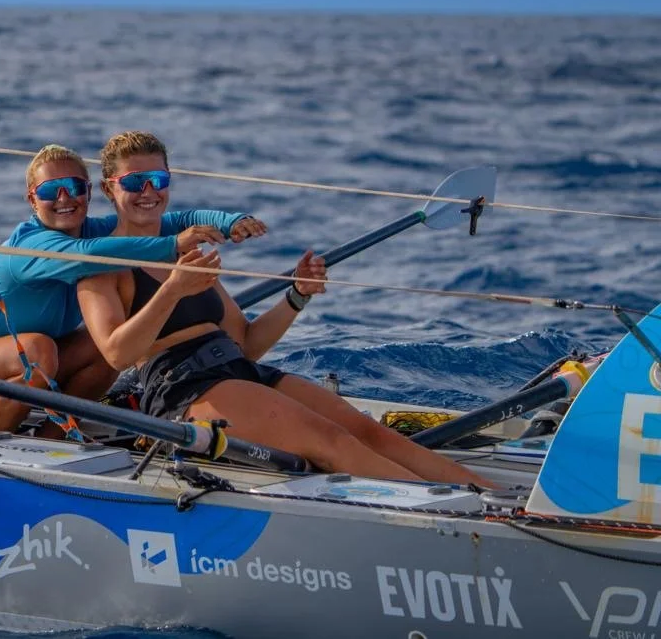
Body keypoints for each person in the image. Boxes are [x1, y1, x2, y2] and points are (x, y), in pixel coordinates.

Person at [76, 130, 492, 485]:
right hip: (183, 390)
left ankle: (504, 502)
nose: (148, 192)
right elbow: (117, 353)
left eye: (158, 179)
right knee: (331, 441)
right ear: (111, 187)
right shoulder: (101, 267)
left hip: (238, 369)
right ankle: (454, 514)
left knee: (367, 431)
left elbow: (245, 342)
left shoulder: (189, 251)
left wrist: (296, 295)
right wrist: (172, 290)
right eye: (135, 182)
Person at [0, 143, 265, 433]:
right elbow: (87, 257)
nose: (65, 198)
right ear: (32, 200)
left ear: (90, 192)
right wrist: (172, 247)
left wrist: (229, 221)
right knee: (38, 350)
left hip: (1, 360)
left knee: (106, 345)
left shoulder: (91, 231)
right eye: (51, 190)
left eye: (75, 188)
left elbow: (174, 221)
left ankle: (57, 435)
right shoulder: (29, 247)